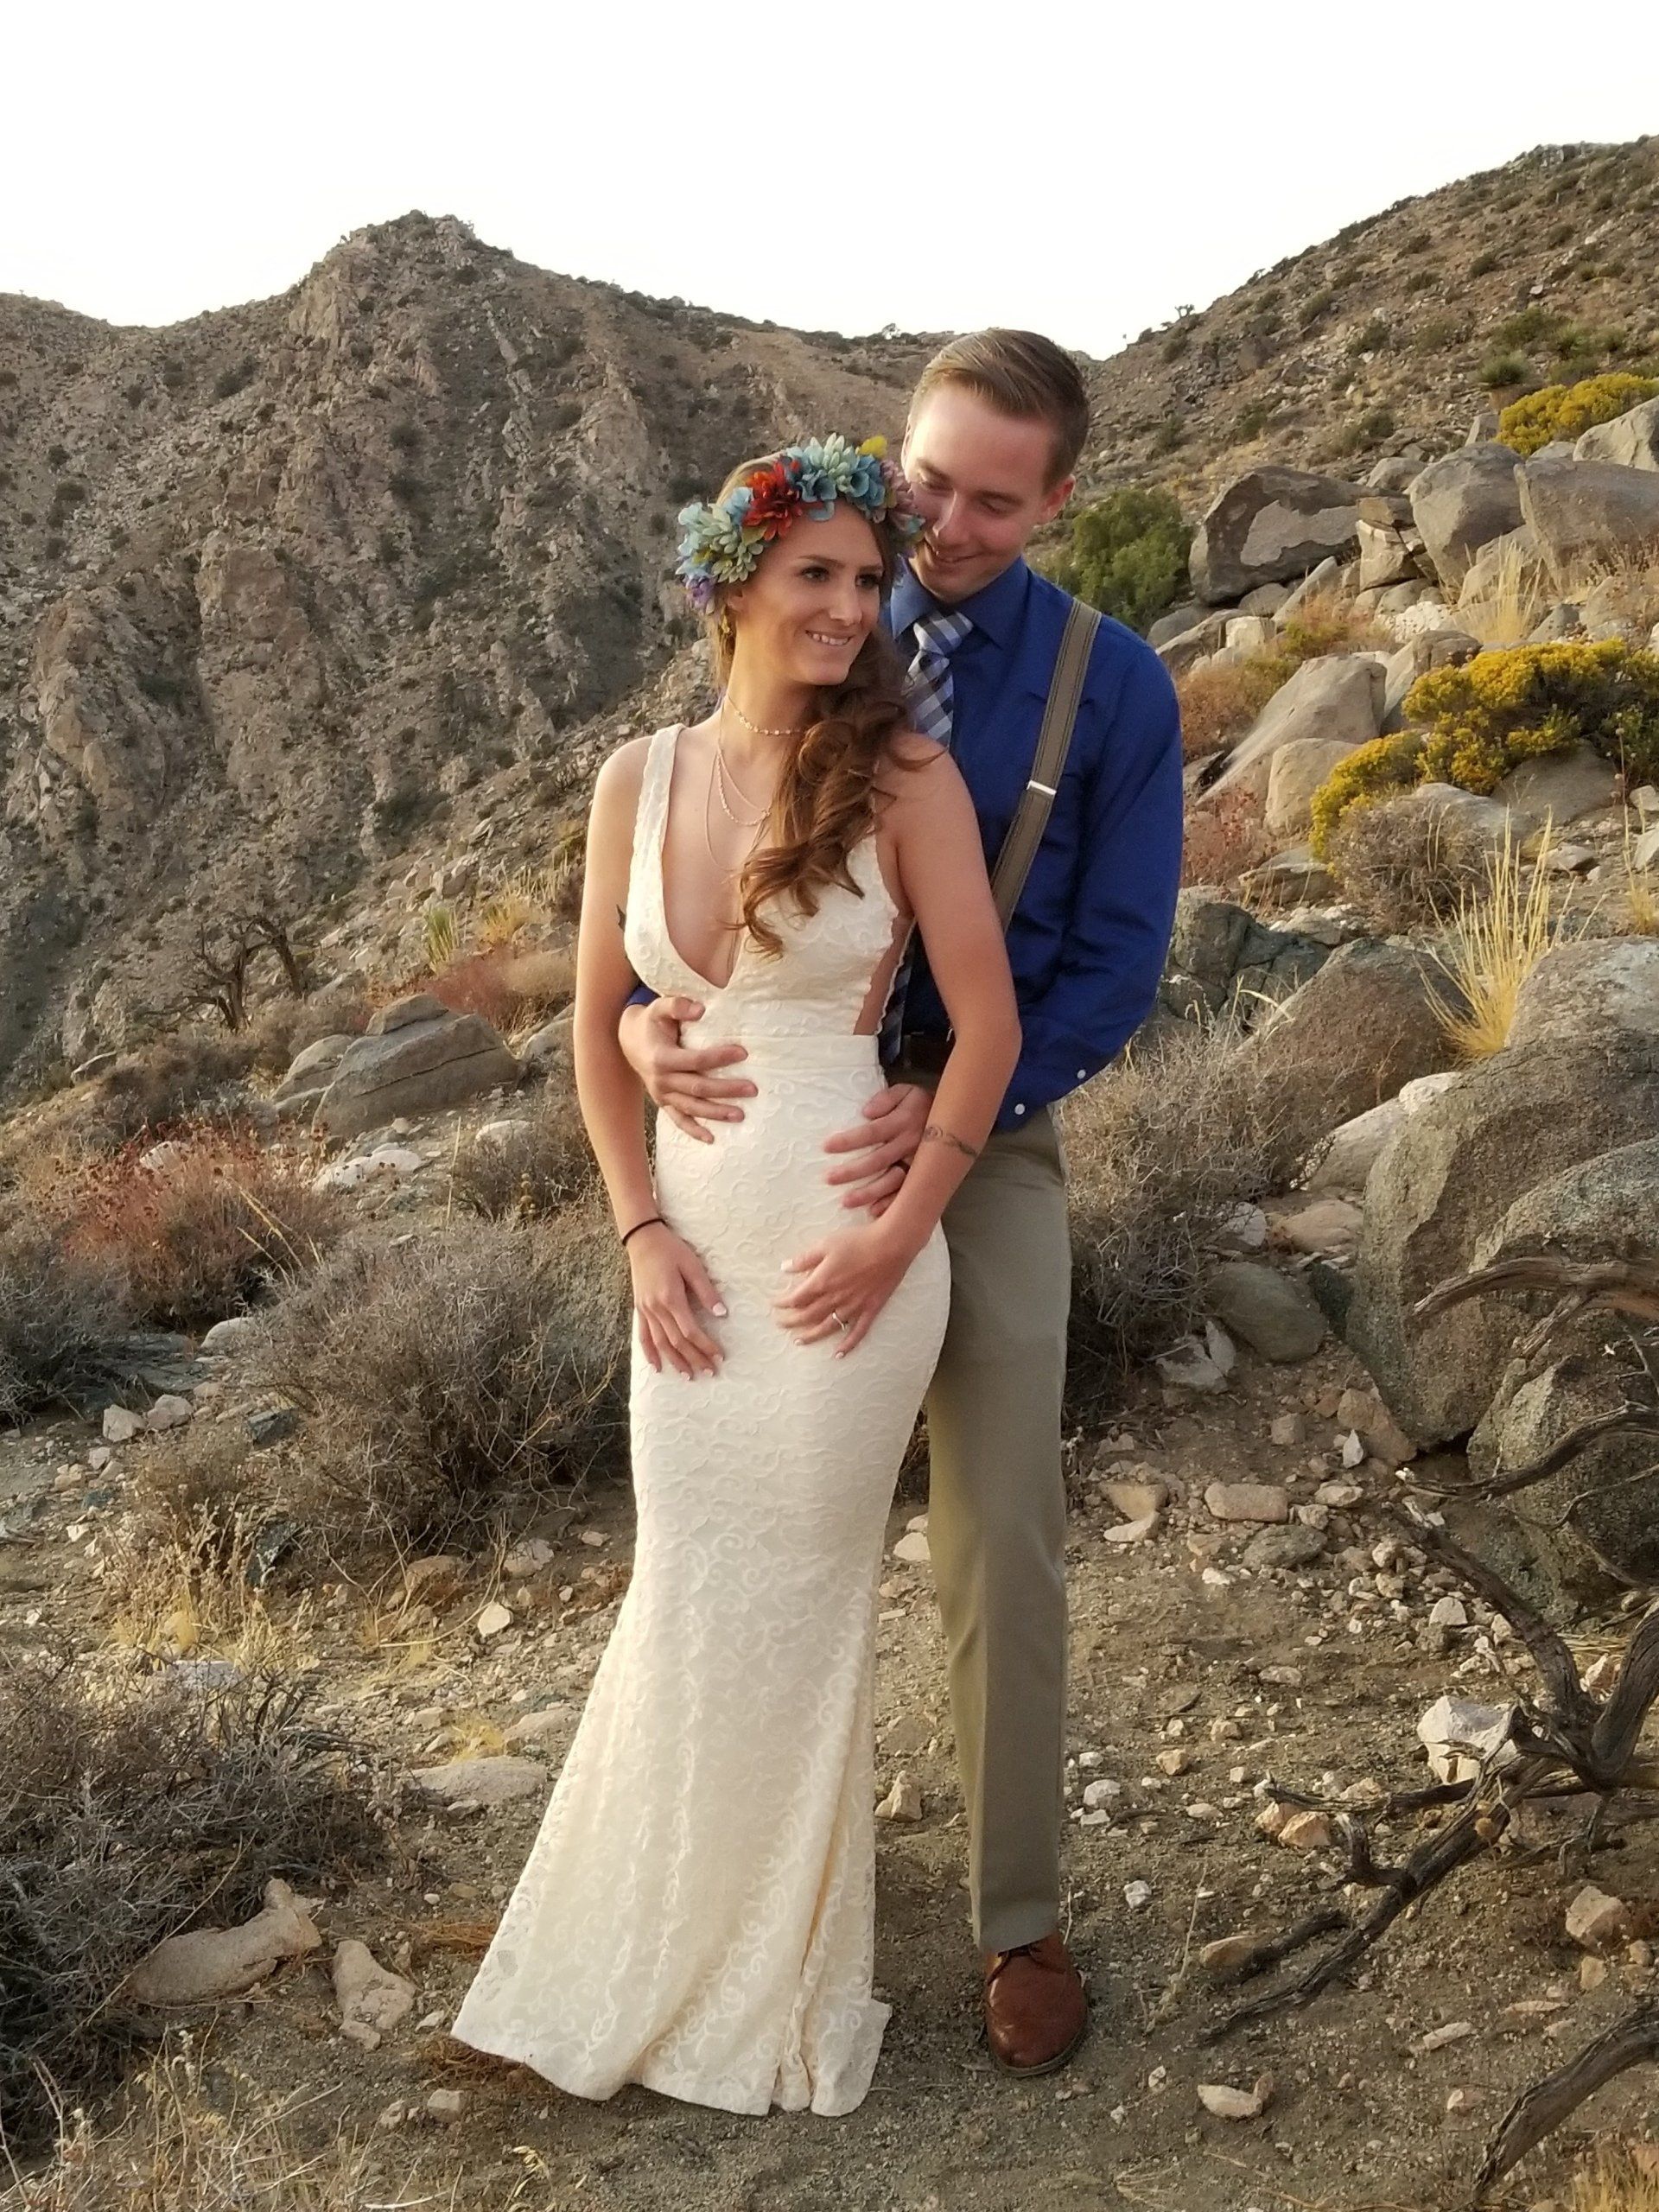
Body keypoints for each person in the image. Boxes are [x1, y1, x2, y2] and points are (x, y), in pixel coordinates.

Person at [620, 334, 1185, 2077]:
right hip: (774, 1122)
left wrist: (943, 1120)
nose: (938, 524)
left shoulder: (1119, 687)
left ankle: (1018, 1914)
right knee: (756, 1511)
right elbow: (690, 874)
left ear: (1057, 500)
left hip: (973, 1132)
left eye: (989, 501)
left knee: (998, 1521)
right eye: (925, 478)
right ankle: (751, 1878)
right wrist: (653, 1022)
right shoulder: (814, 608)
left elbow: (1115, 963)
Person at [451, 435, 1021, 2118]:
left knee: (794, 1593)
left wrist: (906, 1220)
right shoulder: (635, 775)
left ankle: (768, 1974)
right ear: (735, 586)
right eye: (817, 577)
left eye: (869, 578)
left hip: (851, 1264)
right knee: (691, 1580)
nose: (852, 606)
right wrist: (638, 1229)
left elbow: (984, 1023)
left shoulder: (905, 776)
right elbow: (589, 1039)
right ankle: (655, 1934)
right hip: (688, 1262)